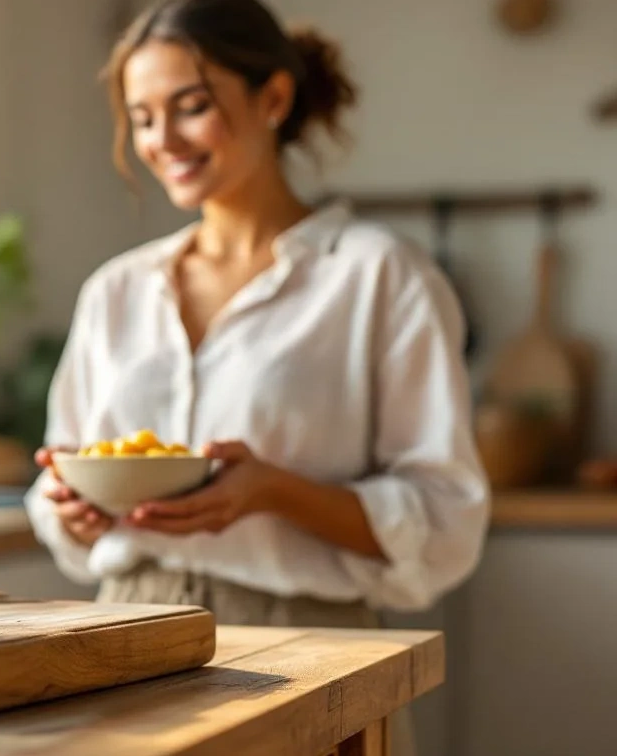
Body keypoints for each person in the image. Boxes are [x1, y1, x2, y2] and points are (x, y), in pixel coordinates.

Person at [24, 2, 490, 753]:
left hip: (309, 648)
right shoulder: (117, 290)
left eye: (191, 107)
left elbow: (446, 519)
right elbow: (62, 479)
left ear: (273, 97)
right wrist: (75, 511)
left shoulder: (380, 277)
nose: (162, 140)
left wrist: (272, 490)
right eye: (143, 118)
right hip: (122, 639)